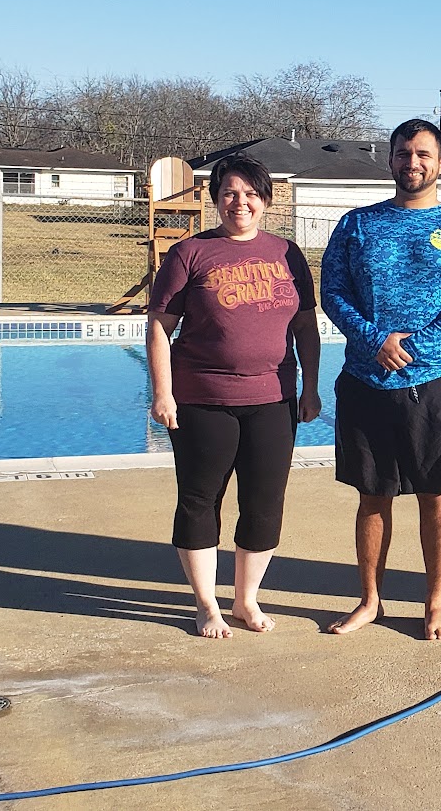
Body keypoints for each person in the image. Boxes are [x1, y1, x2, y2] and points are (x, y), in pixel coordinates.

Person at [319, 118, 441, 640]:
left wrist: (412, 347)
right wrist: (376, 340)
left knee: (436, 496)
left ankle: (435, 601)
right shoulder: (357, 224)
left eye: (422, 154)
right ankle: (370, 600)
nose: (412, 162)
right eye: (403, 153)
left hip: (435, 383)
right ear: (391, 160)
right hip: (366, 379)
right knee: (371, 496)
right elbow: (333, 292)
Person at [146, 154, 322, 639]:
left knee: (264, 503)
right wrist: (163, 392)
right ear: (215, 200)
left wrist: (310, 386)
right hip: (203, 399)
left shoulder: (287, 253)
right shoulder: (190, 253)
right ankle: (207, 604)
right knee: (200, 500)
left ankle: (246, 600)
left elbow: (306, 326)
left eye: (249, 194)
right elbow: (160, 327)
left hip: (274, 398)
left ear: (266, 201)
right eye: (229, 193)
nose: (239, 202)